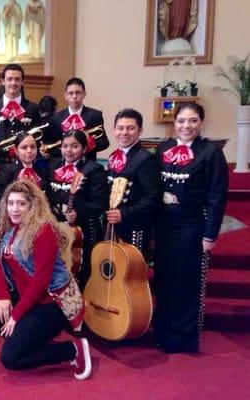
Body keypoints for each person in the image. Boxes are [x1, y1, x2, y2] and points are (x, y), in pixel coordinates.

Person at [0, 180, 91, 379]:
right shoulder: (12, 230)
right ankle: (30, 337)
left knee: (11, 359)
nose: (14, 209)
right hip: (26, 298)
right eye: (10, 203)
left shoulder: (44, 231)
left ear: (32, 205)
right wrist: (3, 297)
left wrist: (16, 317)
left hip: (50, 303)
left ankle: (72, 349)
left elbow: (40, 282)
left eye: (21, 204)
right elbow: (2, 266)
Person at [154, 102, 228, 353]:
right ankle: (162, 333)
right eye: (182, 121)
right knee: (163, 280)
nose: (186, 126)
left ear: (201, 123)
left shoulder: (211, 152)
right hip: (164, 226)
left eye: (193, 121)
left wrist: (210, 234)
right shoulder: (163, 148)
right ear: (174, 123)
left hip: (190, 226)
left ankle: (183, 338)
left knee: (185, 282)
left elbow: (217, 196)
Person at [47, 130, 108, 288]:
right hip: (56, 227)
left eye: (75, 146)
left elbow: (101, 202)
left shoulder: (93, 169)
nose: (69, 150)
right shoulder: (53, 165)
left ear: (84, 148)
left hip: (83, 230)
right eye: (65, 146)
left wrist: (78, 212)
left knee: (81, 270)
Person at [106, 108, 162, 258]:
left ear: (140, 130)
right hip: (113, 226)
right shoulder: (113, 156)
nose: (124, 132)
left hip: (135, 226)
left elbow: (153, 198)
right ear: (114, 129)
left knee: (132, 275)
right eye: (120, 128)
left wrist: (123, 213)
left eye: (130, 128)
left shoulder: (145, 159)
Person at [0, 64, 40, 163]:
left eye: (17, 79)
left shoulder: (33, 108)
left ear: (23, 82)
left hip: (23, 163)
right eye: (9, 79)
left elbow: (37, 138)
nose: (13, 83)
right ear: (3, 81)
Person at [45, 77, 109, 160]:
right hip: (64, 165)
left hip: (87, 165)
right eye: (71, 93)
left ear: (84, 94)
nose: (74, 96)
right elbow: (52, 144)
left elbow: (104, 143)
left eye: (78, 93)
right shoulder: (56, 118)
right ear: (66, 96)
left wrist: (90, 142)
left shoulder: (95, 115)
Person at [0, 131, 49, 199]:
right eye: (24, 147)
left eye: (33, 147)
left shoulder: (40, 170)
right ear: (16, 150)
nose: (29, 151)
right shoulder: (7, 171)